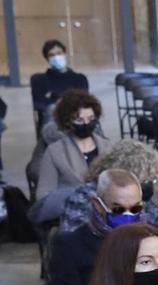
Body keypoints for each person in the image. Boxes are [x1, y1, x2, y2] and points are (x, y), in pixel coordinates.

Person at [41, 167, 156, 285]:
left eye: (135, 209)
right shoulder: (70, 246)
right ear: (97, 204)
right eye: (118, 209)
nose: (128, 216)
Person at [31, 90, 106, 218]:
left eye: (91, 119)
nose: (86, 124)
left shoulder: (108, 148)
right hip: (69, 217)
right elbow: (43, 196)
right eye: (79, 120)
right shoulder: (54, 151)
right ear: (67, 122)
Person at [30, 36, 88, 128]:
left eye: (59, 53)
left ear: (65, 54)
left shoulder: (79, 78)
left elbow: (83, 101)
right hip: (54, 120)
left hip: (77, 119)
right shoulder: (40, 79)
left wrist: (53, 96)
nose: (56, 57)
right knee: (51, 111)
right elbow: (39, 104)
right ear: (47, 59)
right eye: (52, 55)